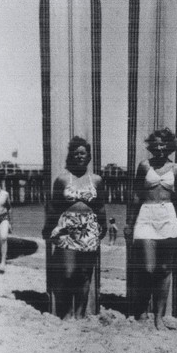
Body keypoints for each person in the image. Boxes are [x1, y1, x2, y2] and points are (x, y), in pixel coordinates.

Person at [124, 127, 177, 330]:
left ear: (170, 146)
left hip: (168, 217)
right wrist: (129, 223)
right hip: (146, 216)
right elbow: (135, 196)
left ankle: (159, 317)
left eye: (164, 144)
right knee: (148, 268)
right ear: (151, 146)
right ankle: (141, 310)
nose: (160, 148)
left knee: (165, 269)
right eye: (156, 144)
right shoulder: (144, 166)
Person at [43, 136, 107, 320]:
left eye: (83, 153)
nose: (79, 156)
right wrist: (48, 228)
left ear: (88, 157)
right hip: (67, 228)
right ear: (71, 156)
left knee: (85, 274)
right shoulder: (62, 179)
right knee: (68, 272)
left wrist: (102, 226)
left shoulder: (96, 180)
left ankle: (79, 314)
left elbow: (100, 206)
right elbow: (54, 206)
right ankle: (66, 312)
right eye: (76, 153)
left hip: (89, 228)